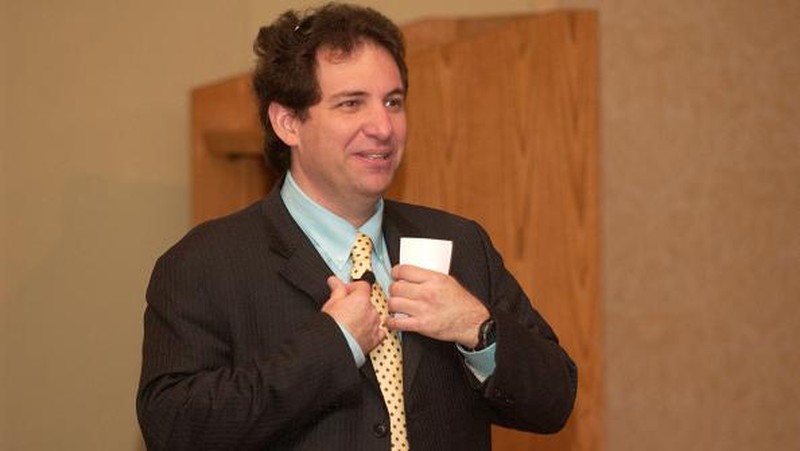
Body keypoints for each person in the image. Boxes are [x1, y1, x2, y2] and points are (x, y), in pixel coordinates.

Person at [136, 3, 577, 450]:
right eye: (351, 104)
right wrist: (334, 344)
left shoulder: (462, 243)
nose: (383, 127)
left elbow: (555, 401)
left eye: (394, 102)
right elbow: (175, 429)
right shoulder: (204, 264)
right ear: (288, 122)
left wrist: (480, 329)